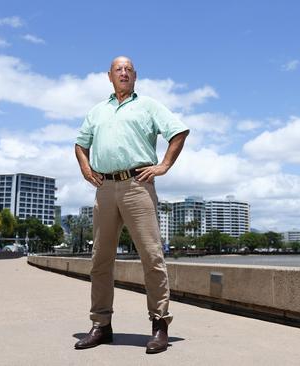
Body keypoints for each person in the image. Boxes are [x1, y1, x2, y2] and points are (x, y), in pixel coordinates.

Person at [74, 56, 189, 354]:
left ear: (135, 76)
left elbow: (179, 131)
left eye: (128, 69)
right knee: (100, 259)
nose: (123, 73)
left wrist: (163, 165)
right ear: (109, 76)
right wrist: (86, 169)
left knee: (152, 257)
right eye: (118, 69)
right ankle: (101, 325)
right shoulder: (97, 111)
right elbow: (80, 144)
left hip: (138, 185)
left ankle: (160, 324)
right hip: (105, 188)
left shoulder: (148, 106)